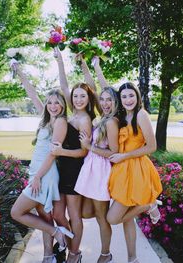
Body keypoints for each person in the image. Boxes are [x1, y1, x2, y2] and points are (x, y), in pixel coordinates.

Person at [85, 57, 162, 263]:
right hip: (121, 172)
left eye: (131, 95)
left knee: (113, 218)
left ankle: (149, 204)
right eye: (124, 96)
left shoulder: (141, 115)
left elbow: (152, 147)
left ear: (137, 96)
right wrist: (96, 67)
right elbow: (105, 90)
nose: (128, 99)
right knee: (128, 219)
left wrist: (125, 155)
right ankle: (133, 258)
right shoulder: (119, 116)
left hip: (137, 168)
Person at [9, 60, 74, 263]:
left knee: (16, 212)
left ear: (63, 105)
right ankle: (48, 257)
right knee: (44, 216)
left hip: (45, 174)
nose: (53, 106)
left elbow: (54, 153)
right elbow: (32, 94)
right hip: (37, 171)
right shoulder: (45, 118)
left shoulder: (61, 121)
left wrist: (37, 177)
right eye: (50, 102)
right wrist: (19, 72)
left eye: (57, 102)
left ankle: (57, 232)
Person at [51, 47, 96, 263]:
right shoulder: (72, 113)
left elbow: (83, 152)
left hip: (75, 172)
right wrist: (60, 60)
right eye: (75, 96)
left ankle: (75, 255)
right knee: (59, 215)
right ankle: (69, 246)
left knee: (74, 216)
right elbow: (64, 85)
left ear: (88, 99)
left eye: (82, 96)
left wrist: (60, 152)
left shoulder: (85, 119)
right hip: (62, 170)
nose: (78, 99)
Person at [73, 56, 119, 263]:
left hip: (100, 169)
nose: (105, 102)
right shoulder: (103, 117)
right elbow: (95, 87)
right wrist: (88, 65)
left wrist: (89, 146)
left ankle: (105, 254)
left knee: (101, 216)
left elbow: (113, 154)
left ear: (115, 102)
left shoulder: (112, 122)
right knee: (84, 212)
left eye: (109, 100)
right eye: (103, 99)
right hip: (89, 167)